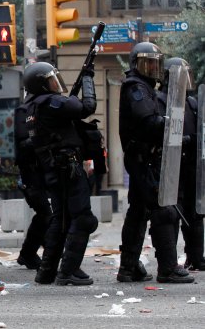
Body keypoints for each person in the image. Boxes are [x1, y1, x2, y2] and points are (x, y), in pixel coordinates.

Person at [118, 42, 193, 283]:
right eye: (147, 62)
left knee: (138, 212)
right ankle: (168, 268)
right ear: (136, 64)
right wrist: (169, 123)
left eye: (155, 63)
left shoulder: (144, 87)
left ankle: (128, 267)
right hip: (142, 160)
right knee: (164, 209)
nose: (152, 67)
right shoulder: (136, 88)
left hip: (144, 159)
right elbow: (147, 121)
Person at [22, 61, 99, 286]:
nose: (56, 84)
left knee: (61, 220)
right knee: (83, 218)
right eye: (51, 80)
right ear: (41, 85)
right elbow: (87, 107)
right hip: (69, 168)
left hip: (56, 170)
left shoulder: (33, 106)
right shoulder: (51, 102)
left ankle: (46, 272)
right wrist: (87, 78)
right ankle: (68, 271)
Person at [159, 57, 205, 271]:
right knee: (172, 212)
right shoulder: (161, 100)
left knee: (195, 213)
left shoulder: (192, 102)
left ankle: (196, 257)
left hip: (190, 166)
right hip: (171, 166)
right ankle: (171, 262)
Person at [13, 97, 53, 270]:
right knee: (45, 214)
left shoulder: (45, 108)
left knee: (46, 215)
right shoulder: (24, 111)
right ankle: (28, 253)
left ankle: (33, 253)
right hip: (31, 174)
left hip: (44, 173)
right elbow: (24, 142)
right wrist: (46, 136)